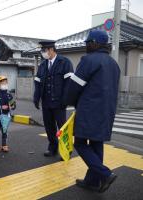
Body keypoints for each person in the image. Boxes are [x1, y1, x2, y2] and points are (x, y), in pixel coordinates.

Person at [65, 30, 120, 192]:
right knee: (96, 145)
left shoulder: (89, 61)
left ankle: (105, 174)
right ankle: (92, 181)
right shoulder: (113, 64)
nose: (86, 46)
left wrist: (69, 102)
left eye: (88, 43)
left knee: (80, 143)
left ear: (96, 43)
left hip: (89, 110)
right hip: (107, 111)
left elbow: (74, 87)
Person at [33, 40, 74, 157]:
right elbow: (37, 82)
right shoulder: (42, 65)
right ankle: (52, 147)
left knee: (62, 127)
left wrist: (66, 100)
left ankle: (66, 149)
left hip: (59, 102)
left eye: (44, 50)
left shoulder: (65, 62)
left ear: (51, 50)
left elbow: (69, 83)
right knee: (49, 127)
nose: (43, 53)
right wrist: (36, 98)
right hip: (46, 102)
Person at [0, 76, 16, 152]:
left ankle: (4, 145)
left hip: (6, 116)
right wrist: (1, 107)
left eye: (5, 83)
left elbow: (13, 105)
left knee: (5, 131)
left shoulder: (9, 95)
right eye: (2, 83)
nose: (4, 84)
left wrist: (11, 106)